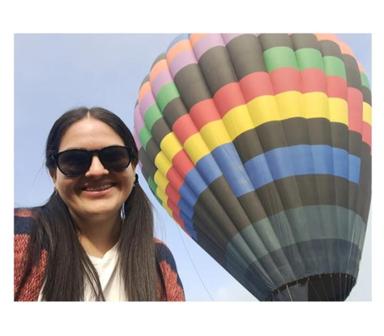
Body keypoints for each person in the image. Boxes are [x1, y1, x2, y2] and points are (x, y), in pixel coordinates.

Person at [14, 107, 185, 301]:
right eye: (74, 160)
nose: (96, 170)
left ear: (133, 165)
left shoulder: (158, 259)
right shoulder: (17, 234)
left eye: (114, 156)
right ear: (54, 174)